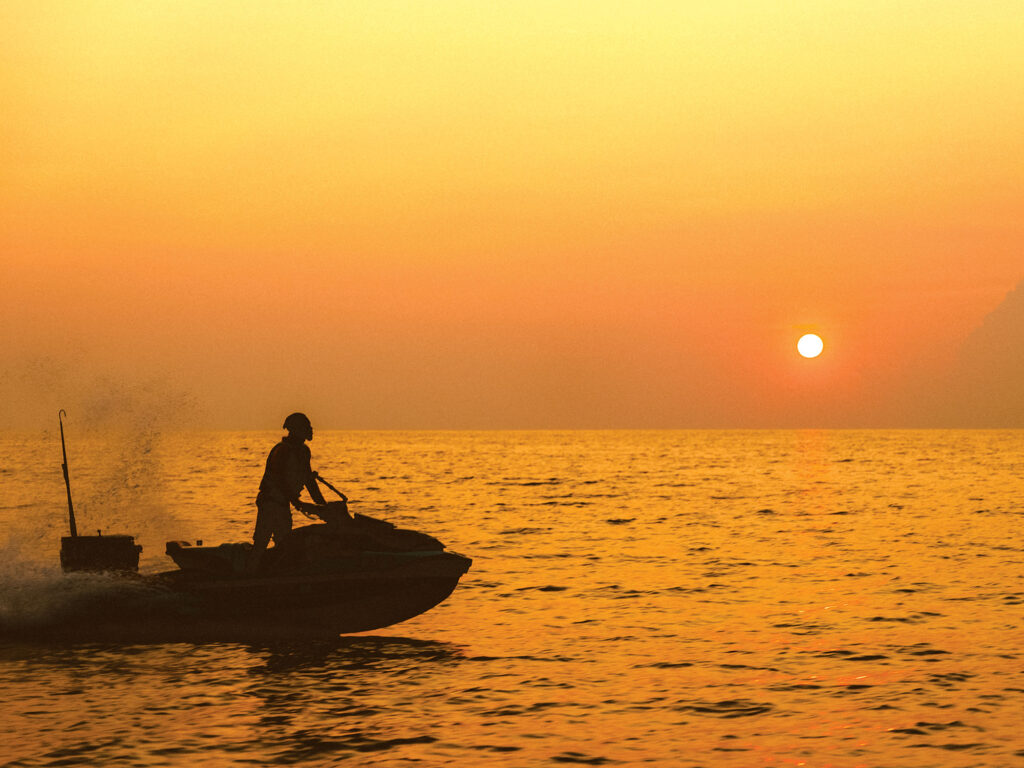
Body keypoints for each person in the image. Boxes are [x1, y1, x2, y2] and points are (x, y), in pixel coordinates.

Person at [249, 412, 327, 572]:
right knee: (261, 543)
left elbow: (309, 480)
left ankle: (277, 575)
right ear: (296, 430)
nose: (311, 430)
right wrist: (296, 501)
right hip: (270, 504)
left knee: (284, 544)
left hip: (283, 505)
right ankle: (248, 576)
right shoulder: (282, 451)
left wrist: (324, 505)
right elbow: (279, 480)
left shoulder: (304, 452)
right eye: (307, 427)